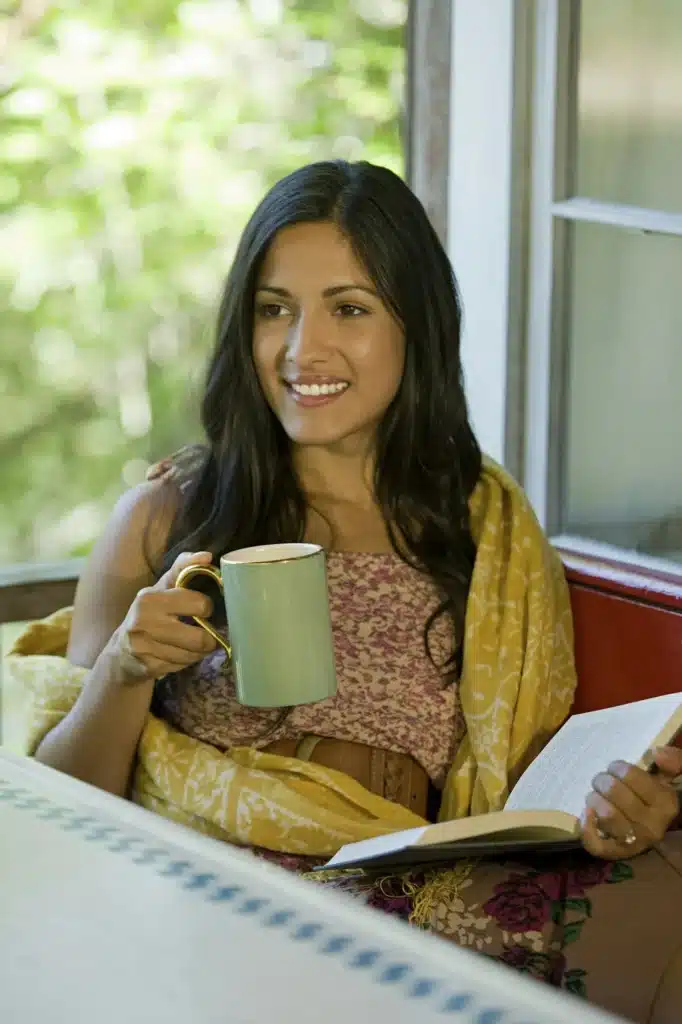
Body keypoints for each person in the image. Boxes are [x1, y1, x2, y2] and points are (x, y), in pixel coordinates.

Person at [18, 161, 682, 1021]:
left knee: (660, 880)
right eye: (274, 309)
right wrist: (122, 670)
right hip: (220, 887)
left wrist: (619, 810)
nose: (302, 349)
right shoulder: (168, 513)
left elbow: (526, 795)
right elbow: (56, 810)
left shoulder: (480, 525)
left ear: (418, 326)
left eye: (350, 308)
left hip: (417, 880)